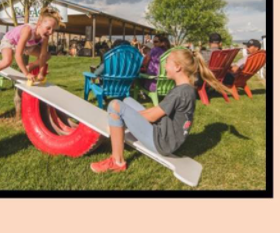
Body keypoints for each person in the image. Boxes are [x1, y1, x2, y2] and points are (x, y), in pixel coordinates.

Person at [91, 49, 230, 173]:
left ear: (177, 67)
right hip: (167, 136)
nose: (164, 66)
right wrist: (129, 117)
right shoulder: (186, 88)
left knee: (115, 105)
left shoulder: (180, 93)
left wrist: (126, 118)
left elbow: (152, 117)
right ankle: (120, 123)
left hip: (161, 142)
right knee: (126, 101)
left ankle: (117, 161)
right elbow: (159, 111)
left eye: (167, 62)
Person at [0, 6, 64, 96]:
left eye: (53, 30)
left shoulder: (45, 36)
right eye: (48, 28)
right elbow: (18, 55)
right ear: (39, 23)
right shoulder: (28, 30)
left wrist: (41, 73)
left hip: (28, 46)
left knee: (47, 56)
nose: (50, 32)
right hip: (10, 42)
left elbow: (43, 55)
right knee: (7, 61)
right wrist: (26, 74)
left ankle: (30, 66)